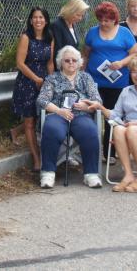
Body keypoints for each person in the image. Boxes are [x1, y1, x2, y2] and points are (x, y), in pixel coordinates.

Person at [87, 57, 137, 192]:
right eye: (134, 72)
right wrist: (100, 107)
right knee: (118, 129)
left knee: (131, 130)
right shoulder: (126, 91)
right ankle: (129, 175)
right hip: (130, 129)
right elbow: (116, 114)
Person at [37, 45, 104, 189]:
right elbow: (42, 100)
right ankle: (48, 173)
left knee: (90, 132)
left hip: (81, 115)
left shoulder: (86, 77)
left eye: (74, 60)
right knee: (52, 129)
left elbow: (97, 101)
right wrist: (60, 111)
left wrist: (88, 107)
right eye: (67, 60)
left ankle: (91, 174)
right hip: (58, 114)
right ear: (61, 62)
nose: (71, 63)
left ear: (79, 62)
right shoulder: (52, 78)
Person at [83, 1, 137, 163]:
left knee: (112, 116)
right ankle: (92, 151)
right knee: (92, 115)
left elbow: (135, 53)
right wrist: (83, 73)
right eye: (100, 19)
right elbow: (86, 53)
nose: (103, 23)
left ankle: (110, 153)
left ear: (114, 19)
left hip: (117, 82)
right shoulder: (93, 32)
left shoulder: (124, 32)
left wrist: (121, 63)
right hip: (95, 81)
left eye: (106, 20)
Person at [10, 7, 55, 172]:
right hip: (27, 82)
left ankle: (15, 131)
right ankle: (37, 159)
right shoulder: (26, 37)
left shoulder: (49, 38)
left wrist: (51, 81)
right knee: (29, 121)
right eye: (35, 17)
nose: (38, 20)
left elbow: (50, 62)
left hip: (43, 81)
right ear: (30, 20)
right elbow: (20, 63)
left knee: (40, 116)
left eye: (41, 17)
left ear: (46, 20)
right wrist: (35, 78)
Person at [50, 0, 90, 67]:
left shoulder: (72, 24)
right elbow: (56, 51)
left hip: (71, 67)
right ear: (71, 11)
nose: (80, 18)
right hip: (61, 68)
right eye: (78, 15)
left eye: (82, 16)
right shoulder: (57, 25)